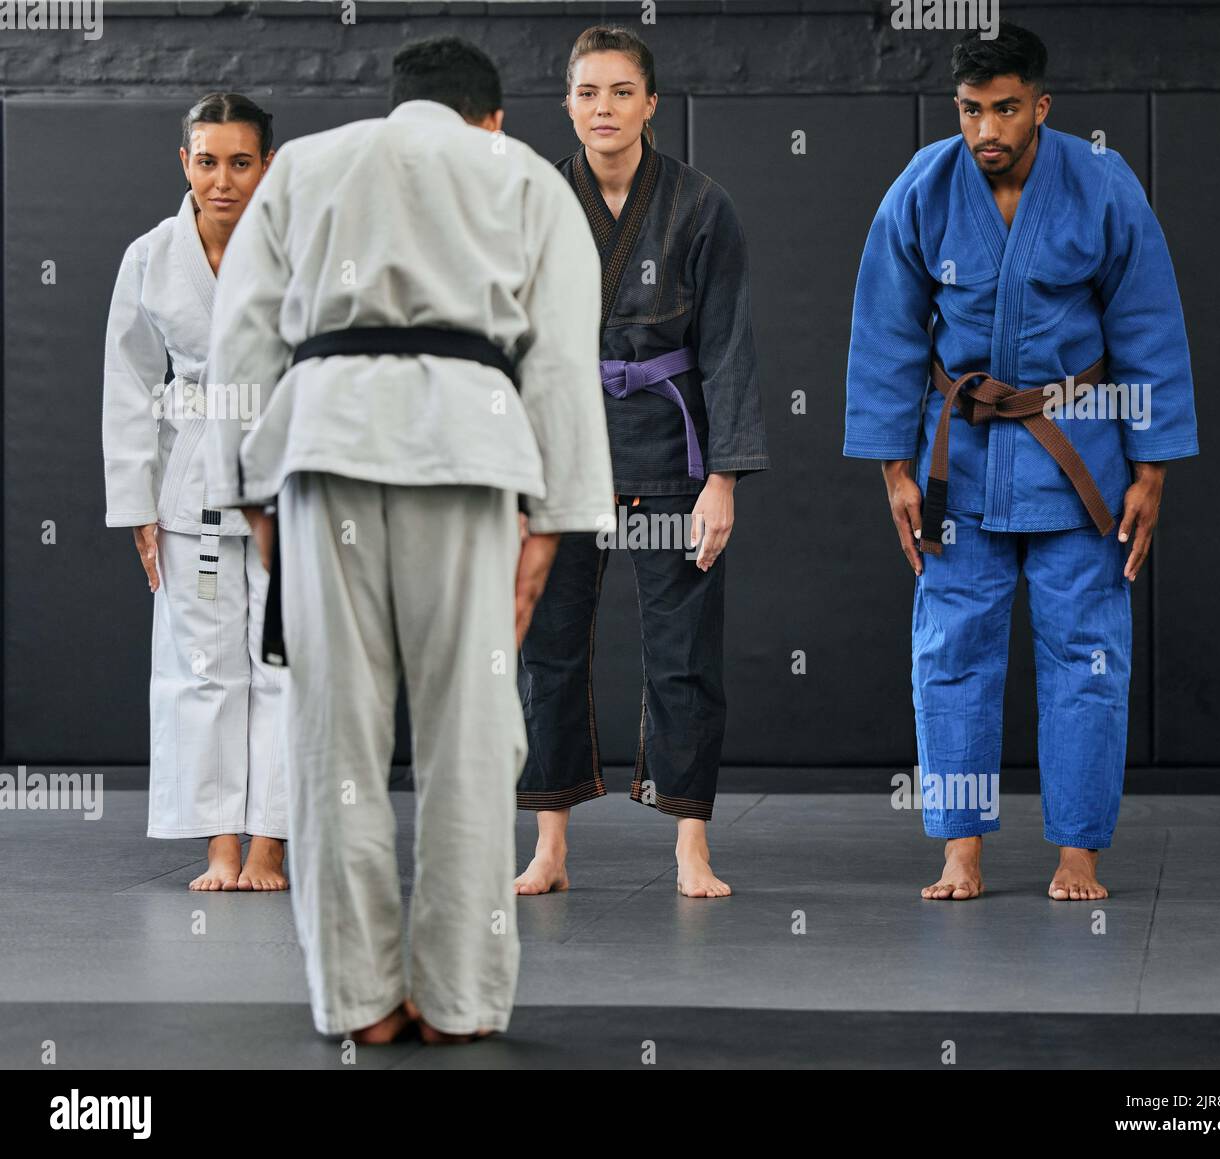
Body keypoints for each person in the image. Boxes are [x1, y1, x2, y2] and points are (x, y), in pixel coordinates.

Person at [203, 37, 613, 1043]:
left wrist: (244, 488)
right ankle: (457, 997)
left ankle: (359, 1000)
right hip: (464, 453)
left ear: (392, 107)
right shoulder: (519, 176)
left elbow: (241, 334)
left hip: (323, 442)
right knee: (470, 737)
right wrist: (553, 522)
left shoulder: (306, 165)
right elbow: (561, 356)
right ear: (492, 118)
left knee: (332, 734)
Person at [843, 24, 1198, 902]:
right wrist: (893, 466)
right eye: (971, 111)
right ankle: (961, 848)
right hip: (959, 461)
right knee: (951, 654)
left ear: (1041, 105)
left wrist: (1151, 468)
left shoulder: (1101, 184)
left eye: (1005, 109)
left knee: (1088, 654)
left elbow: (1148, 324)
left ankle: (1078, 850)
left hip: (1079, 457)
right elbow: (886, 330)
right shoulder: (922, 189)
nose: (987, 131)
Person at [514, 25, 770, 901]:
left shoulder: (701, 206)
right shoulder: (535, 201)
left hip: (671, 454)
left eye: (622, 92)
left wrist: (723, 479)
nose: (604, 109)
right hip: (562, 457)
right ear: (569, 104)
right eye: (588, 93)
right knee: (545, 651)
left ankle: (690, 845)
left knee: (684, 654)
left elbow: (729, 347)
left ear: (651, 104)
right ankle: (549, 844)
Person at [102, 93, 288, 892]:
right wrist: (138, 505)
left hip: (283, 482)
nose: (223, 179)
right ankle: (220, 840)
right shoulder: (151, 255)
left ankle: (271, 841)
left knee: (285, 665)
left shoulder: (298, 251)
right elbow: (129, 382)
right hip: (192, 492)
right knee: (204, 666)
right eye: (207, 161)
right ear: (185, 162)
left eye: (240, 162)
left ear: (267, 166)